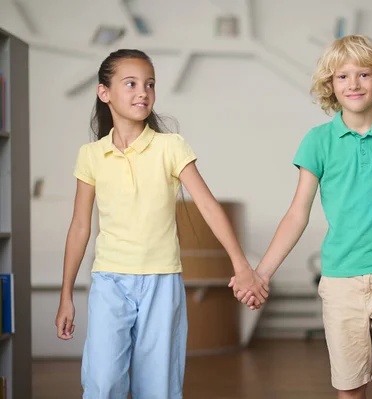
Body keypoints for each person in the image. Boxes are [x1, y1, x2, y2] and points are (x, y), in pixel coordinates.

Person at [54, 48, 269, 399]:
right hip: (109, 281)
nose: (143, 92)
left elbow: (209, 207)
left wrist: (242, 266)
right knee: (102, 382)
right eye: (131, 83)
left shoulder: (171, 147)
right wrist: (66, 295)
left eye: (150, 84)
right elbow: (80, 227)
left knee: (157, 388)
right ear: (104, 92)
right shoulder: (90, 155)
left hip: (161, 281)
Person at [231, 35, 372, 399]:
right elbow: (297, 213)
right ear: (330, 85)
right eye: (342, 77)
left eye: (363, 74)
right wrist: (261, 273)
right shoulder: (317, 141)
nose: (353, 84)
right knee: (351, 387)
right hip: (341, 280)